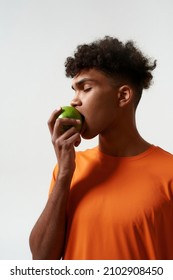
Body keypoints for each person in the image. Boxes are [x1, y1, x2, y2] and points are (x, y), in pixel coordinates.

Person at [29, 36, 173, 260]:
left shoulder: (169, 172)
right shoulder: (68, 169)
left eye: (85, 88)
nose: (74, 101)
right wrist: (65, 173)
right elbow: (41, 259)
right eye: (74, 90)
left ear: (123, 96)